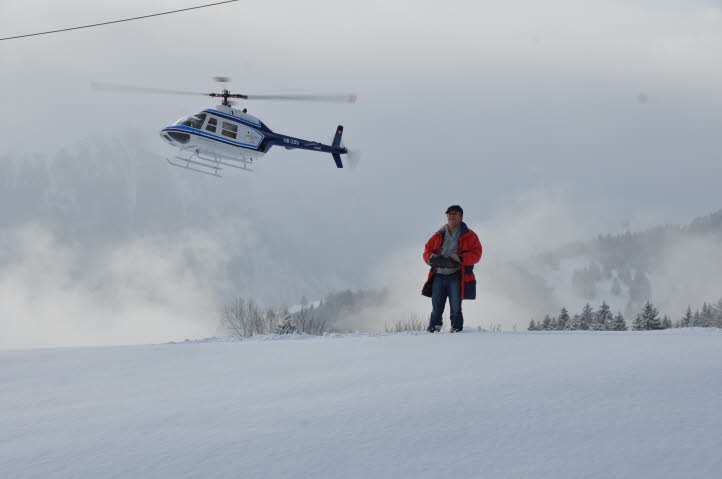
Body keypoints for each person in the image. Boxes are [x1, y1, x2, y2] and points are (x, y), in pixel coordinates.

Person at [421, 205, 483, 332]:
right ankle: (433, 329)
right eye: (449, 214)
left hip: (456, 275)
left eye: (455, 214)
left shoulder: (469, 235)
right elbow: (426, 251)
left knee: (455, 307)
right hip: (438, 274)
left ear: (461, 217)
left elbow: (477, 254)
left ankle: (456, 330)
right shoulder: (438, 235)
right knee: (436, 307)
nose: (451, 216)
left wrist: (460, 258)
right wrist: (431, 258)